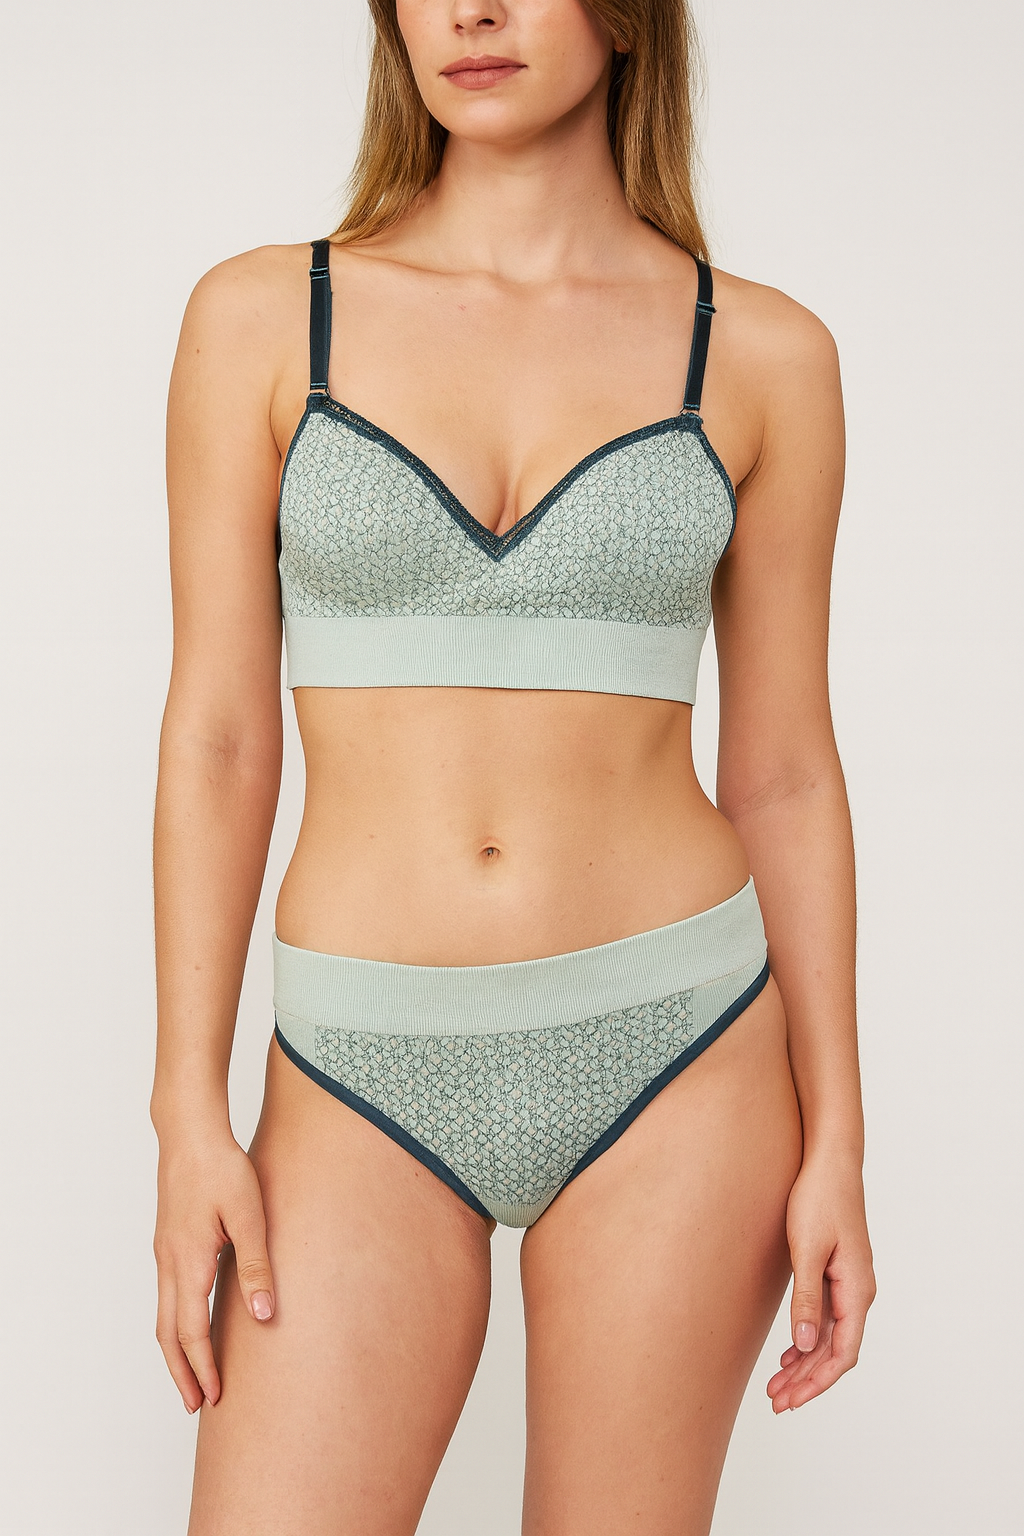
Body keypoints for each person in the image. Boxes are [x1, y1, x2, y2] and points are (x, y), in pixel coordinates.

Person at [151, 2, 876, 1531]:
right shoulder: (266, 318)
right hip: (356, 1064)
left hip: (679, 1051)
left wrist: (839, 1141)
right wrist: (186, 1112)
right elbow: (218, 737)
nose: (471, 10)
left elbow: (787, 772)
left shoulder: (764, 353)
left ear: (626, 17)